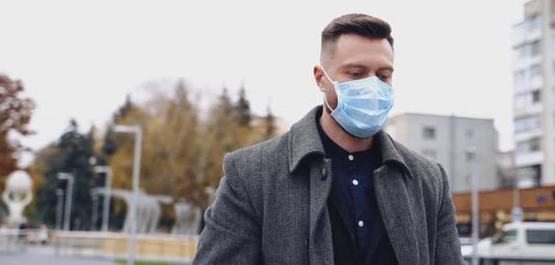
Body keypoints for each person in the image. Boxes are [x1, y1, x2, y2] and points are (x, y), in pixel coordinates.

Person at [194, 14, 465, 264]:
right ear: (321, 78)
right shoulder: (252, 174)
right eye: (356, 74)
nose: (373, 87)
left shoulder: (428, 180)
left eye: (383, 75)